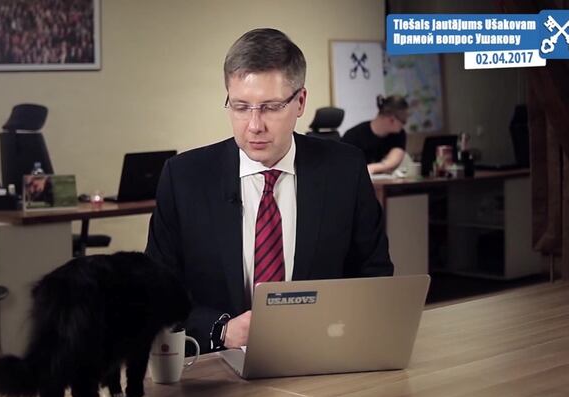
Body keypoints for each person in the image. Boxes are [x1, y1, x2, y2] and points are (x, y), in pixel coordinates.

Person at [145, 28, 393, 354]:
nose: (254, 125)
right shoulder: (184, 177)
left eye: (271, 107)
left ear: (300, 101)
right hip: (216, 372)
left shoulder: (344, 169)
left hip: (321, 360)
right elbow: (154, 293)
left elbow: (374, 276)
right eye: (240, 107)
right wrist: (221, 330)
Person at [341, 95, 409, 175]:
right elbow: (344, 166)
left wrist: (371, 168)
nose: (403, 125)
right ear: (392, 119)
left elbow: (393, 161)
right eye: (403, 121)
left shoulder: (399, 134)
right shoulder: (353, 135)